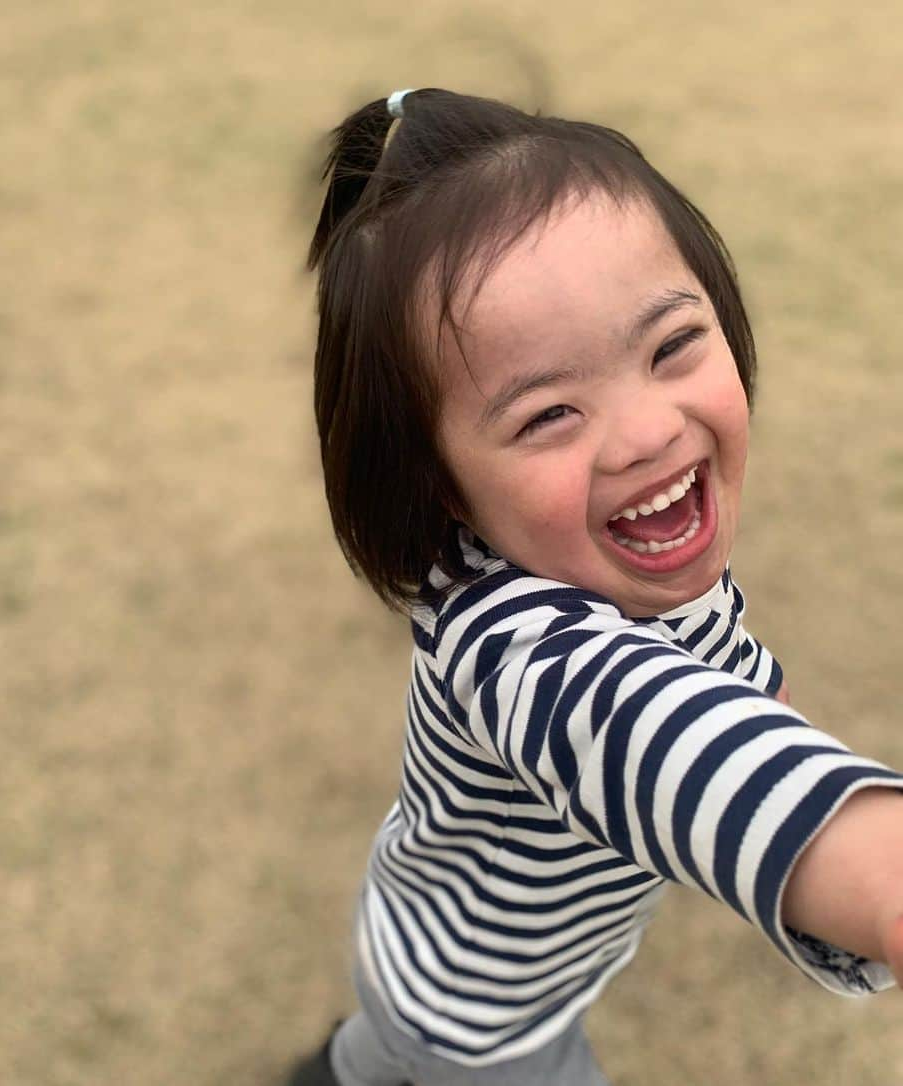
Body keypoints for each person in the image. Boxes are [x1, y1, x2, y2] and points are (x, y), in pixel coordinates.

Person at [287, 87, 903, 1086]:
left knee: (373, 1057)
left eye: (671, 348)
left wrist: (750, 692)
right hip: (478, 1021)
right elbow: (646, 727)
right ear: (440, 480)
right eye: (548, 415)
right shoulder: (517, 644)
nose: (648, 431)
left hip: (425, 936)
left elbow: (703, 674)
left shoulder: (620, 543)